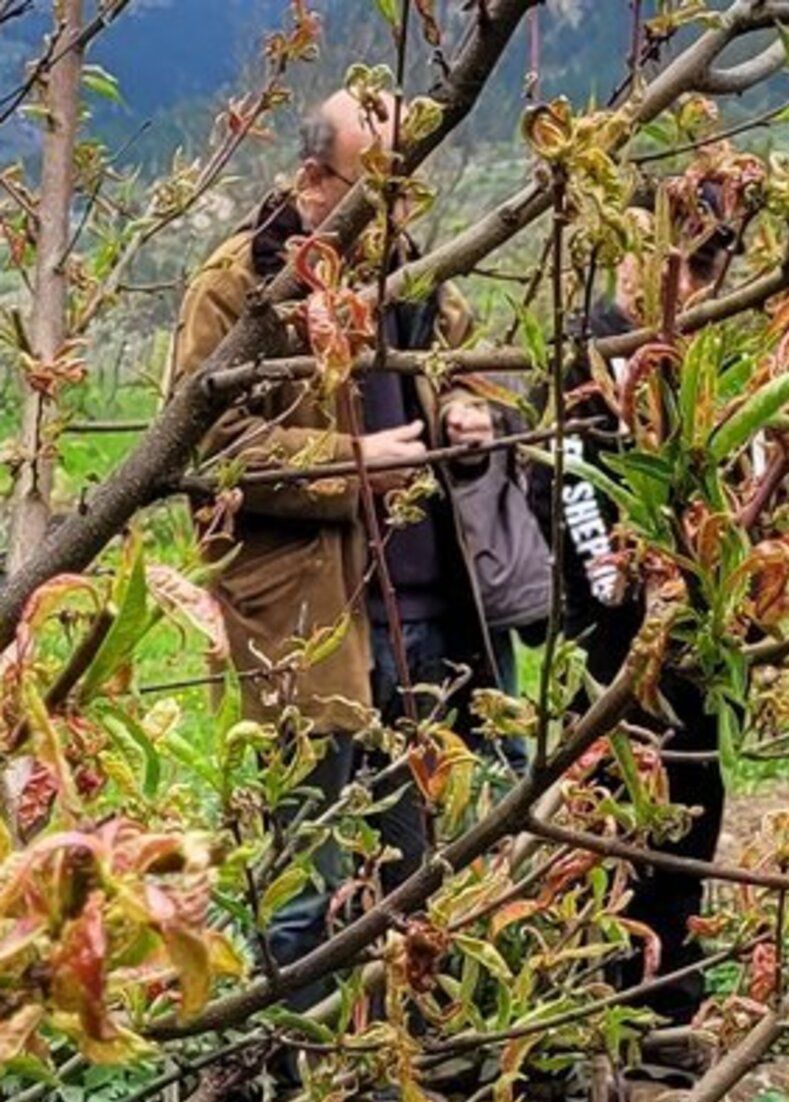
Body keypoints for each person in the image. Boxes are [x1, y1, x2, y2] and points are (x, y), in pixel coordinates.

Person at [173, 90, 523, 1003]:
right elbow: (206, 453)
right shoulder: (239, 285)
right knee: (310, 873)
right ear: (314, 177)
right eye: (377, 185)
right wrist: (350, 458)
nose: (394, 209)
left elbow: (465, 362)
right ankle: (280, 1081)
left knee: (412, 863)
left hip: (428, 615)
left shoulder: (411, 276)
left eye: (407, 190)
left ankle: (381, 1063)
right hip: (310, 623)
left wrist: (463, 407)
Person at [529, 186, 739, 1072]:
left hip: (697, 622)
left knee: (694, 799)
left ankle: (666, 1004)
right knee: (613, 805)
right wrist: (616, 584)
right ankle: (592, 1003)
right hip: (613, 627)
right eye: (684, 264)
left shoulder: (707, 351)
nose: (696, 284)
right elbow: (572, 486)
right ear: (636, 255)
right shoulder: (591, 353)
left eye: (712, 267)